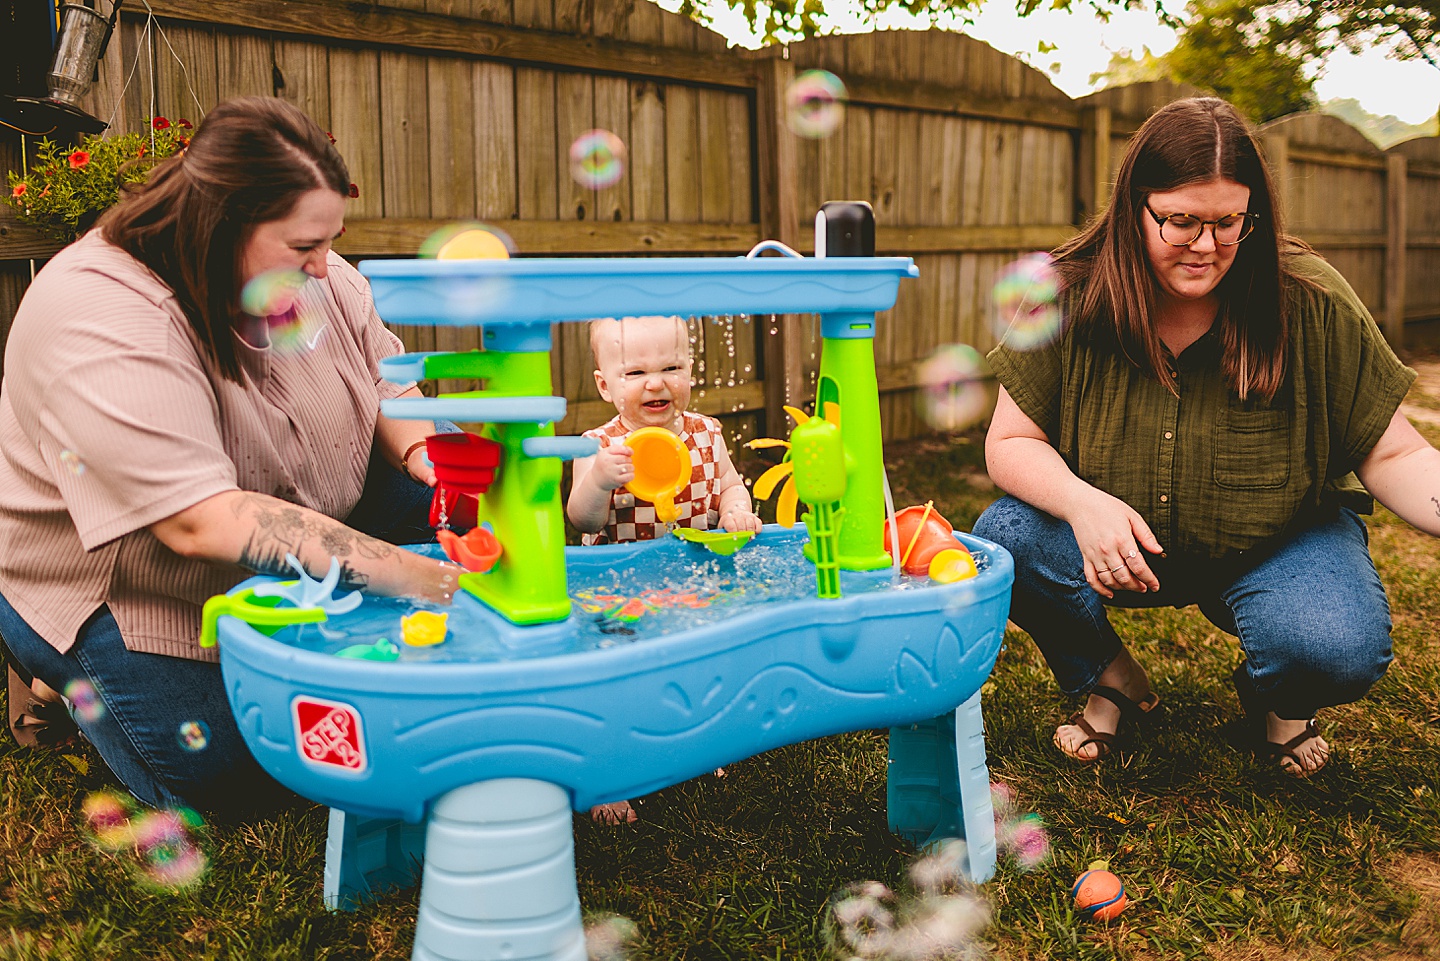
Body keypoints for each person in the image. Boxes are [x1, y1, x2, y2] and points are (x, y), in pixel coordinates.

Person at [0, 96, 464, 818]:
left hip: (305, 498)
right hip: (129, 582)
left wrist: (430, 457)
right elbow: (200, 523)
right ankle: (56, 674)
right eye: (306, 246)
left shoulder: (304, 268)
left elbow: (385, 379)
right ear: (223, 220)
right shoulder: (101, 316)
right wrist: (424, 579)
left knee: (477, 525)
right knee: (252, 771)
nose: (324, 266)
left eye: (329, 241)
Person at [971, 97, 1440, 778]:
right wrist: (1082, 503)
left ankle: (1279, 696)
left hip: (1275, 542)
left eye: (1229, 221)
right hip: (1123, 548)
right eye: (1181, 220)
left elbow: (1394, 451)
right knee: (1007, 534)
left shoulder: (1310, 298)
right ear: (1138, 206)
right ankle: (1109, 679)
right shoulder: (1069, 291)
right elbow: (1009, 441)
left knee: (1336, 646)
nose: (1207, 245)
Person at [567, 315, 762, 822]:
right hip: (618, 590)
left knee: (697, 669)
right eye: (635, 374)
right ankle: (606, 779)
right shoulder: (599, 446)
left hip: (691, 582)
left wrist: (736, 507)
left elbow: (729, 484)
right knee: (617, 685)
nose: (656, 383)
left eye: (671, 366)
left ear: (691, 372)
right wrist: (601, 482)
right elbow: (580, 517)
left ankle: (694, 750)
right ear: (605, 385)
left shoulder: (705, 433)